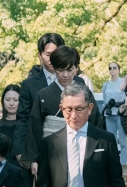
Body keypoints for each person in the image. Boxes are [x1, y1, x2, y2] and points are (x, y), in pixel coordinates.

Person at [22, 46, 104, 175]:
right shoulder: (44, 95)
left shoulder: (85, 93)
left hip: (81, 149)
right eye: (60, 70)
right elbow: (35, 127)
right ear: (54, 69)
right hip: (51, 151)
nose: (65, 75)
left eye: (69, 70)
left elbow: (95, 121)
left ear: (76, 69)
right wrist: (33, 159)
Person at [13, 33, 65, 170]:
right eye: (48, 55)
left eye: (56, 54)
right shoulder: (29, 85)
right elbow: (23, 119)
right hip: (39, 149)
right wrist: (20, 151)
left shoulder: (76, 81)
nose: (53, 59)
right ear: (40, 55)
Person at [101, 62, 127, 163]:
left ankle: (124, 163)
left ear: (118, 70)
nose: (112, 70)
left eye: (114, 68)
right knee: (111, 141)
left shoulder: (123, 83)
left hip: (120, 114)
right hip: (109, 115)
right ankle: (113, 163)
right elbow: (104, 100)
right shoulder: (106, 84)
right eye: (110, 68)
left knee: (123, 141)